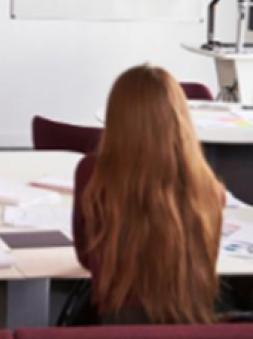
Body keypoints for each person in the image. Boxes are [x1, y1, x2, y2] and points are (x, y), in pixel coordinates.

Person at [73, 64, 225, 324]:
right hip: (194, 326)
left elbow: (87, 257)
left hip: (118, 325)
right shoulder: (209, 184)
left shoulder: (94, 172)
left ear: (116, 116)